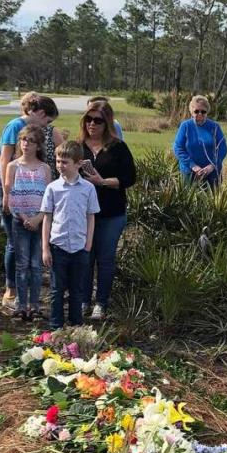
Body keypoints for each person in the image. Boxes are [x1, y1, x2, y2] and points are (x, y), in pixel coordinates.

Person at [0, 93, 59, 310]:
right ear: (40, 113)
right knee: (14, 244)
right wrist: (6, 194)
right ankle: (11, 290)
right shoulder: (16, 126)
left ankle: (28, 298)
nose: (47, 126)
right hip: (12, 193)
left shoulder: (42, 163)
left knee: (27, 252)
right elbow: (5, 160)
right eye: (47, 121)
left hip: (31, 201)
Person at [79, 102, 136, 320]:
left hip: (111, 211)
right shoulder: (78, 146)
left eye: (98, 120)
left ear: (107, 122)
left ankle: (101, 303)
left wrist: (102, 182)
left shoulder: (117, 147)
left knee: (105, 258)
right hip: (83, 213)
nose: (92, 124)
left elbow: (129, 178)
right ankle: (83, 300)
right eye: (89, 119)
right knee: (85, 257)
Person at [40, 141, 99, 329]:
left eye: (65, 162)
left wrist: (88, 244)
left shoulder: (88, 188)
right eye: (58, 161)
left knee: (77, 289)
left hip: (80, 247)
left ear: (78, 163)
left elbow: (91, 217)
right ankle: (56, 326)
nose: (60, 166)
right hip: (58, 247)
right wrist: (45, 248)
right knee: (57, 289)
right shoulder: (53, 188)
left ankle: (76, 326)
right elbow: (47, 219)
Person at [4, 124, 51, 320]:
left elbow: (49, 197)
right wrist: (24, 218)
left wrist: (39, 218)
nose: (26, 144)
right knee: (22, 264)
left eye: (31, 141)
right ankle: (21, 305)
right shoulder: (13, 166)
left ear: (38, 145)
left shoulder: (45, 168)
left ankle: (35, 305)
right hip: (20, 221)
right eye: (23, 139)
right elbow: (10, 195)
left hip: (39, 221)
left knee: (36, 264)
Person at [173, 95, 227, 187]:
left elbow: (222, 148)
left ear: (207, 112)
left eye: (203, 111)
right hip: (189, 172)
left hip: (212, 173)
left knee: (211, 200)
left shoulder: (214, 127)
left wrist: (212, 165)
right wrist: (193, 166)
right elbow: (178, 148)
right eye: (196, 111)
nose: (200, 114)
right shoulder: (185, 126)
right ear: (191, 112)